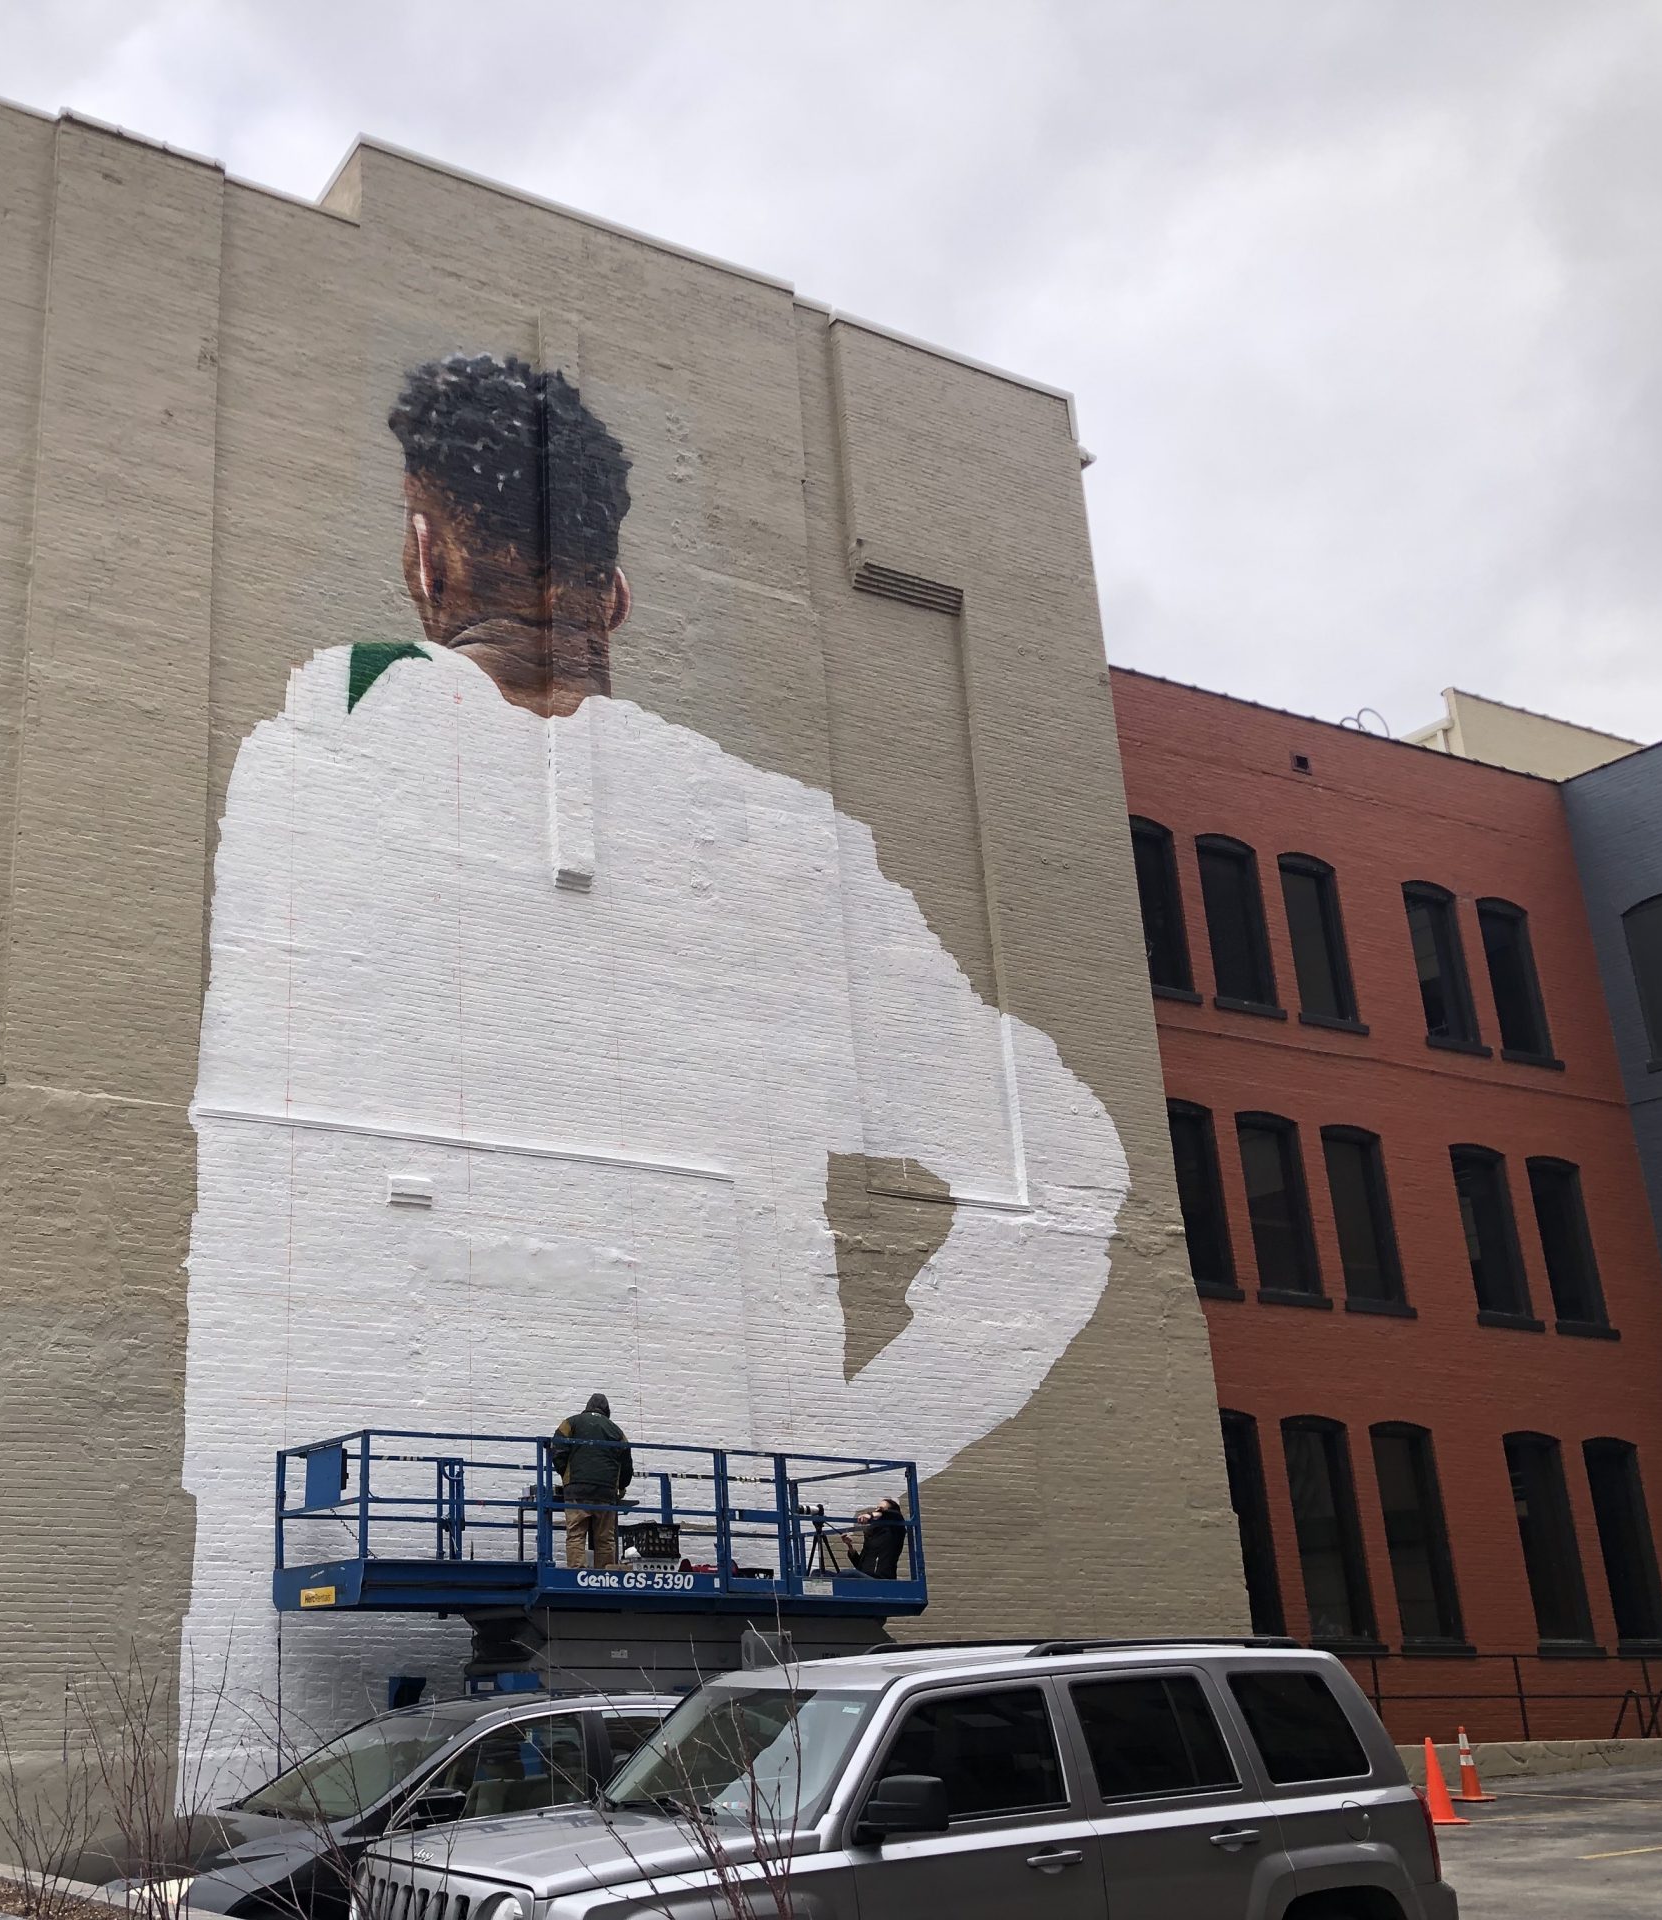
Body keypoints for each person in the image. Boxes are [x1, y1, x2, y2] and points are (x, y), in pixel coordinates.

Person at [177, 351, 1130, 1785]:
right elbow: (1067, 1172)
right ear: (620, 595)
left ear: (423, 558)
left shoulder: (304, 778)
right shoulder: (790, 851)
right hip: (733, 1680)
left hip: (275, 1707)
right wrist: (845, 1457)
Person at [549, 1394, 634, 1570]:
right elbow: (626, 1464)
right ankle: (604, 1577)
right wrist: (621, 1485)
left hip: (577, 1490)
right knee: (604, 1539)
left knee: (576, 1535)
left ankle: (576, 1572)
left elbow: (557, 1448)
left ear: (587, 1407)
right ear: (607, 1411)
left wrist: (566, 1475)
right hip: (606, 1493)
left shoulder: (571, 1423)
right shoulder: (617, 1432)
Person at [852, 1496, 907, 1580]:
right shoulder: (873, 1535)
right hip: (865, 1577)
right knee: (829, 1575)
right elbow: (861, 1565)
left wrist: (871, 1515)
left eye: (881, 1508)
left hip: (881, 1578)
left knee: (847, 1574)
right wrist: (850, 1547)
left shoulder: (894, 1530)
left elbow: (896, 1515)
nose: (877, 1510)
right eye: (877, 1508)